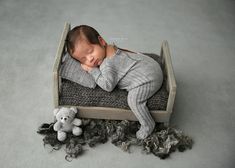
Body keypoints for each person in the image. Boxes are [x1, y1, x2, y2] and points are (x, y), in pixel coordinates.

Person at [66, 25, 163, 139]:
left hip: (149, 79)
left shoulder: (108, 64)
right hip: (151, 66)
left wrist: (92, 71)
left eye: (90, 51)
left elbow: (108, 86)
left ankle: (148, 125)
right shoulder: (110, 48)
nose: (90, 59)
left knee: (133, 100)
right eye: (83, 59)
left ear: (101, 41)